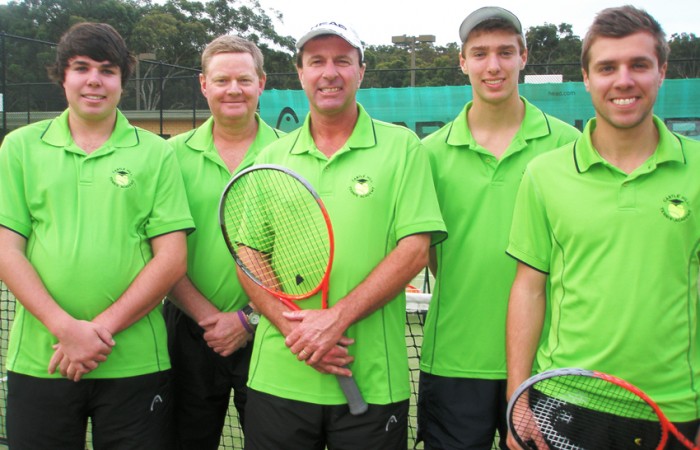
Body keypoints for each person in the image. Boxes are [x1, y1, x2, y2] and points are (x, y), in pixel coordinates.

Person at [237, 20, 447, 450]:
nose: (329, 72)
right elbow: (249, 255)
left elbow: (414, 251)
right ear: (300, 73)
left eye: (342, 61)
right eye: (316, 61)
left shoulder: (403, 148)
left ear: (361, 71)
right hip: (280, 378)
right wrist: (299, 331)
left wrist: (336, 319)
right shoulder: (271, 157)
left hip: (372, 380)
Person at [506, 5, 700, 449]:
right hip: (566, 398)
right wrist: (517, 400)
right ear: (587, 77)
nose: (624, 80)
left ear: (662, 72)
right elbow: (528, 289)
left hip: (674, 408)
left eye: (639, 65)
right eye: (607, 67)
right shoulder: (544, 174)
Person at [0, 22, 193, 449]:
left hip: (136, 364)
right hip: (40, 360)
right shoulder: (19, 147)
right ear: (62, 75)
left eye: (107, 70)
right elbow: (7, 249)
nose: (94, 80)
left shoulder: (156, 152)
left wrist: (98, 331)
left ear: (123, 80)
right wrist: (64, 329)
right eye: (81, 67)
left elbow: (171, 258)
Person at [417, 7, 580, 449]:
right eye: (481, 53)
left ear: (524, 57)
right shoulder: (427, 154)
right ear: (462, 61)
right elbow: (430, 253)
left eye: (506, 52)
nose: (494, 65)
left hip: (548, 363)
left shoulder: (570, 146)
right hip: (452, 362)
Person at [163, 34, 283, 449]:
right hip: (189, 331)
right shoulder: (169, 156)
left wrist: (249, 318)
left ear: (262, 83)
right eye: (222, 80)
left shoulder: (293, 153)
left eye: (244, 80)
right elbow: (159, 250)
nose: (233, 89)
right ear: (203, 84)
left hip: (271, 330)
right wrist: (209, 319)